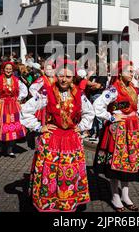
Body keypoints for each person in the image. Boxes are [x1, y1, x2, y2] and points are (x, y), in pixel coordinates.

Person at [21, 60, 95, 212]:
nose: (63, 79)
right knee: (51, 173)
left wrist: (80, 127)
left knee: (69, 173)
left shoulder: (78, 94)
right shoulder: (46, 93)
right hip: (51, 140)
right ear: (56, 75)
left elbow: (90, 112)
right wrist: (39, 127)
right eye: (61, 75)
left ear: (73, 77)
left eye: (68, 76)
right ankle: (50, 202)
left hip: (71, 140)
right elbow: (25, 111)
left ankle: (67, 201)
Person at [93, 60, 139, 212]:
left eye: (132, 70)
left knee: (128, 163)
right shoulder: (114, 89)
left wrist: (136, 116)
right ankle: (115, 195)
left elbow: (137, 106)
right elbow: (98, 105)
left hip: (132, 130)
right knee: (115, 165)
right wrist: (112, 117)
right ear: (120, 73)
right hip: (119, 131)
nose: (132, 73)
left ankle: (125, 195)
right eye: (128, 70)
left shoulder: (133, 88)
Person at [0, 61, 28, 157]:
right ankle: (0, 147)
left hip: (14, 105)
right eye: (6, 69)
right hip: (3, 105)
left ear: (12, 70)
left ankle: (10, 149)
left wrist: (19, 98)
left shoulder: (16, 80)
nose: (8, 70)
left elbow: (24, 89)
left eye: (10, 69)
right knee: (2, 126)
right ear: (3, 70)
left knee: (13, 127)